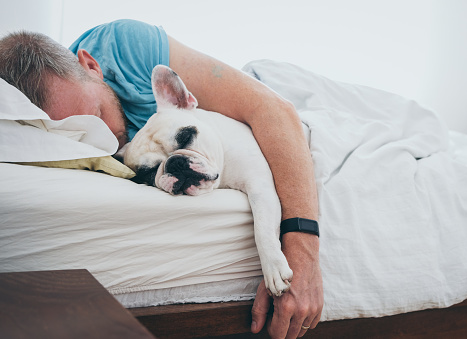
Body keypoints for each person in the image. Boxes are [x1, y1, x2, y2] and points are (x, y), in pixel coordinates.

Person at [0, 19, 323, 339]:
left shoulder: (123, 47)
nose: (105, 138)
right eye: (81, 134)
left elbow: (272, 108)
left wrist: (301, 253)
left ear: (91, 66)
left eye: (97, 115)